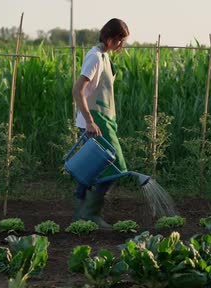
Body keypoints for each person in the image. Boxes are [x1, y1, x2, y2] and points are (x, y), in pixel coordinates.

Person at [71, 18, 130, 229]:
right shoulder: (95, 57)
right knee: (115, 167)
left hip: (104, 121)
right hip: (95, 122)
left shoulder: (104, 55)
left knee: (91, 167)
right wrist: (89, 121)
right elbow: (78, 90)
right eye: (120, 40)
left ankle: (80, 214)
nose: (121, 45)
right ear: (110, 37)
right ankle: (91, 214)